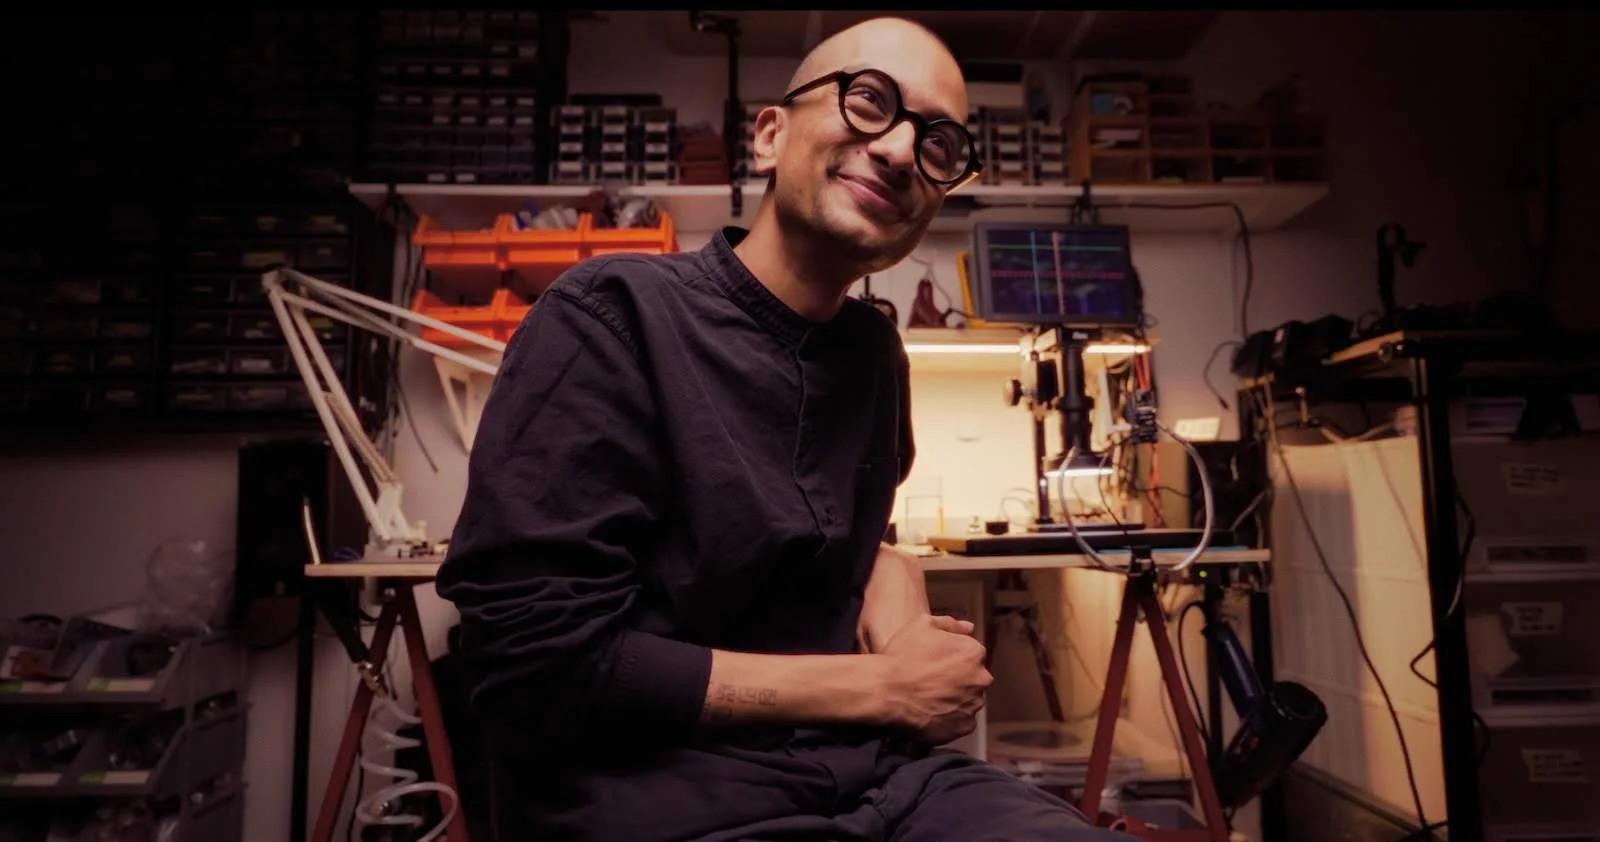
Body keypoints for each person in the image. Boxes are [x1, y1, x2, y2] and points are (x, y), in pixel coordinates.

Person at [435, 16, 1136, 842]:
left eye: (939, 144)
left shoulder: (875, 354)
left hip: (874, 779)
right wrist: (884, 689)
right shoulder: (613, 315)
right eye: (869, 100)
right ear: (770, 135)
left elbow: (841, 549)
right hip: (666, 797)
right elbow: (536, 664)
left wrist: (903, 611)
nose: (903, 151)